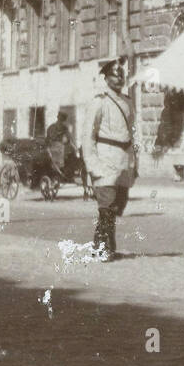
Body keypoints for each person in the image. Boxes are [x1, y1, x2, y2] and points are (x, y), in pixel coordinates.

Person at [82, 58, 137, 260]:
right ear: (106, 77)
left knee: (117, 205)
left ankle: (102, 245)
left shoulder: (128, 103)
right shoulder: (100, 101)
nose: (119, 78)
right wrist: (92, 164)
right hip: (104, 160)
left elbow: (132, 134)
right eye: (115, 74)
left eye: (121, 74)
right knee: (107, 205)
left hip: (122, 161)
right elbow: (88, 135)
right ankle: (104, 248)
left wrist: (133, 163)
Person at [45, 111, 76, 177]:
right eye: (60, 119)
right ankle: (64, 173)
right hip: (55, 148)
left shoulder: (64, 128)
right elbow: (48, 140)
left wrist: (74, 147)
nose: (61, 121)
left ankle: (67, 173)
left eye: (62, 120)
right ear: (58, 118)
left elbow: (68, 138)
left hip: (57, 148)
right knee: (66, 152)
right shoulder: (52, 128)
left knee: (71, 152)